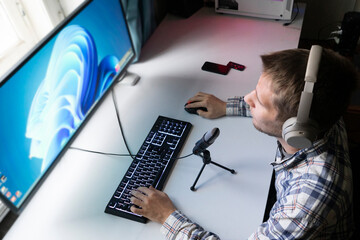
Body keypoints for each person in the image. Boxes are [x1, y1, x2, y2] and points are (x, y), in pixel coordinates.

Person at [129, 47, 359, 239]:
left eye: (258, 102)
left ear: (295, 130)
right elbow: (284, 106)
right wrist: (226, 106)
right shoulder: (321, 113)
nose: (247, 98)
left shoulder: (307, 201)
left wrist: (167, 217)